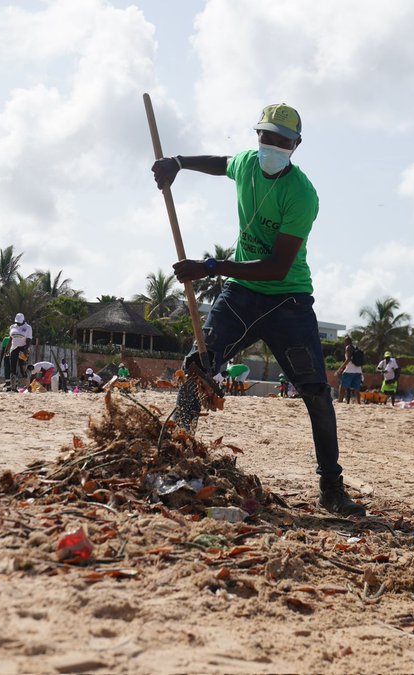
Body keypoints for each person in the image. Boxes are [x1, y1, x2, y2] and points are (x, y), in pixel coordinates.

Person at [151, 101, 365, 516]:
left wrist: (210, 267)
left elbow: (277, 266)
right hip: (240, 295)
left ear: (295, 146)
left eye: (282, 141)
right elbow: (221, 163)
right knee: (198, 367)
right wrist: (177, 162)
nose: (272, 146)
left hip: (288, 299)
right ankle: (173, 459)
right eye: (266, 136)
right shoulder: (248, 164)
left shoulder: (302, 195)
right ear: (258, 136)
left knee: (317, 393)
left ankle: (332, 487)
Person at [7, 313, 33, 389]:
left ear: (23, 320)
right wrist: (7, 350)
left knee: (22, 368)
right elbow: (10, 339)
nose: (18, 323)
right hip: (14, 349)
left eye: (19, 321)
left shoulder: (28, 328)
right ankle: (13, 387)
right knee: (13, 368)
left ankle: (27, 386)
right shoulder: (12, 327)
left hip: (23, 349)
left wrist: (25, 350)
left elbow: (28, 340)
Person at [335, 336, 363, 404]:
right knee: (357, 389)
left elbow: (348, 359)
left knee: (342, 388)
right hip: (358, 371)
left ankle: (340, 401)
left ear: (346, 342)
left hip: (349, 371)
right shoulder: (356, 348)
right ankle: (359, 403)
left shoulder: (348, 347)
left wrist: (339, 369)